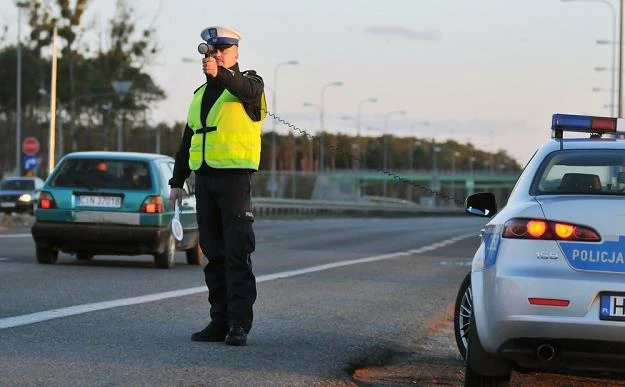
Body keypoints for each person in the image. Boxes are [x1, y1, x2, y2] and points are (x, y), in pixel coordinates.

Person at [169, 26, 266, 346]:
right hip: (205, 182)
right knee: (213, 253)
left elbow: (243, 89)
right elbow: (188, 141)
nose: (216, 55)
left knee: (238, 254)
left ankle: (239, 324)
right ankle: (219, 321)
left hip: (235, 181)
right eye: (211, 51)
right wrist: (177, 181)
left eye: (223, 50)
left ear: (236, 53)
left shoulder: (250, 84)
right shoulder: (199, 95)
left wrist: (222, 73)